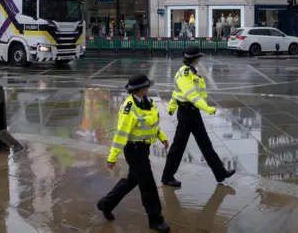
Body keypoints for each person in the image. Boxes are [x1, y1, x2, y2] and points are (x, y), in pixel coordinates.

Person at [97, 74, 170, 233]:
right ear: (140, 90)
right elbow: (121, 135)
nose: (149, 88)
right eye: (147, 87)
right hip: (133, 150)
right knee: (148, 185)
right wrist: (112, 157)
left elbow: (152, 125)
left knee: (132, 180)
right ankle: (155, 219)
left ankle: (106, 203)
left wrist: (162, 137)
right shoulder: (128, 109)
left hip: (143, 149)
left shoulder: (148, 103)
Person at [162, 45, 236, 187]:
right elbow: (191, 95)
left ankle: (220, 173)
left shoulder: (192, 72)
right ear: (194, 58)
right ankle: (167, 176)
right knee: (178, 147)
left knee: (205, 144)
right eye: (198, 57)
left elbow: (177, 93)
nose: (199, 59)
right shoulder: (184, 74)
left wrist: (171, 107)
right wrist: (207, 109)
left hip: (193, 112)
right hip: (186, 113)